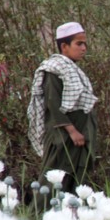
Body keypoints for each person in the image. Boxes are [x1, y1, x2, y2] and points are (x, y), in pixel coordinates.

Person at [27, 21, 98, 194]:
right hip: (63, 136)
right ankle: (41, 216)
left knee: (76, 181)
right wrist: (72, 131)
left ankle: (69, 218)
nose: (83, 48)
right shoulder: (53, 69)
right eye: (79, 44)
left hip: (79, 135)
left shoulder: (72, 69)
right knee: (54, 180)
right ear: (64, 46)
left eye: (85, 44)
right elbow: (53, 102)